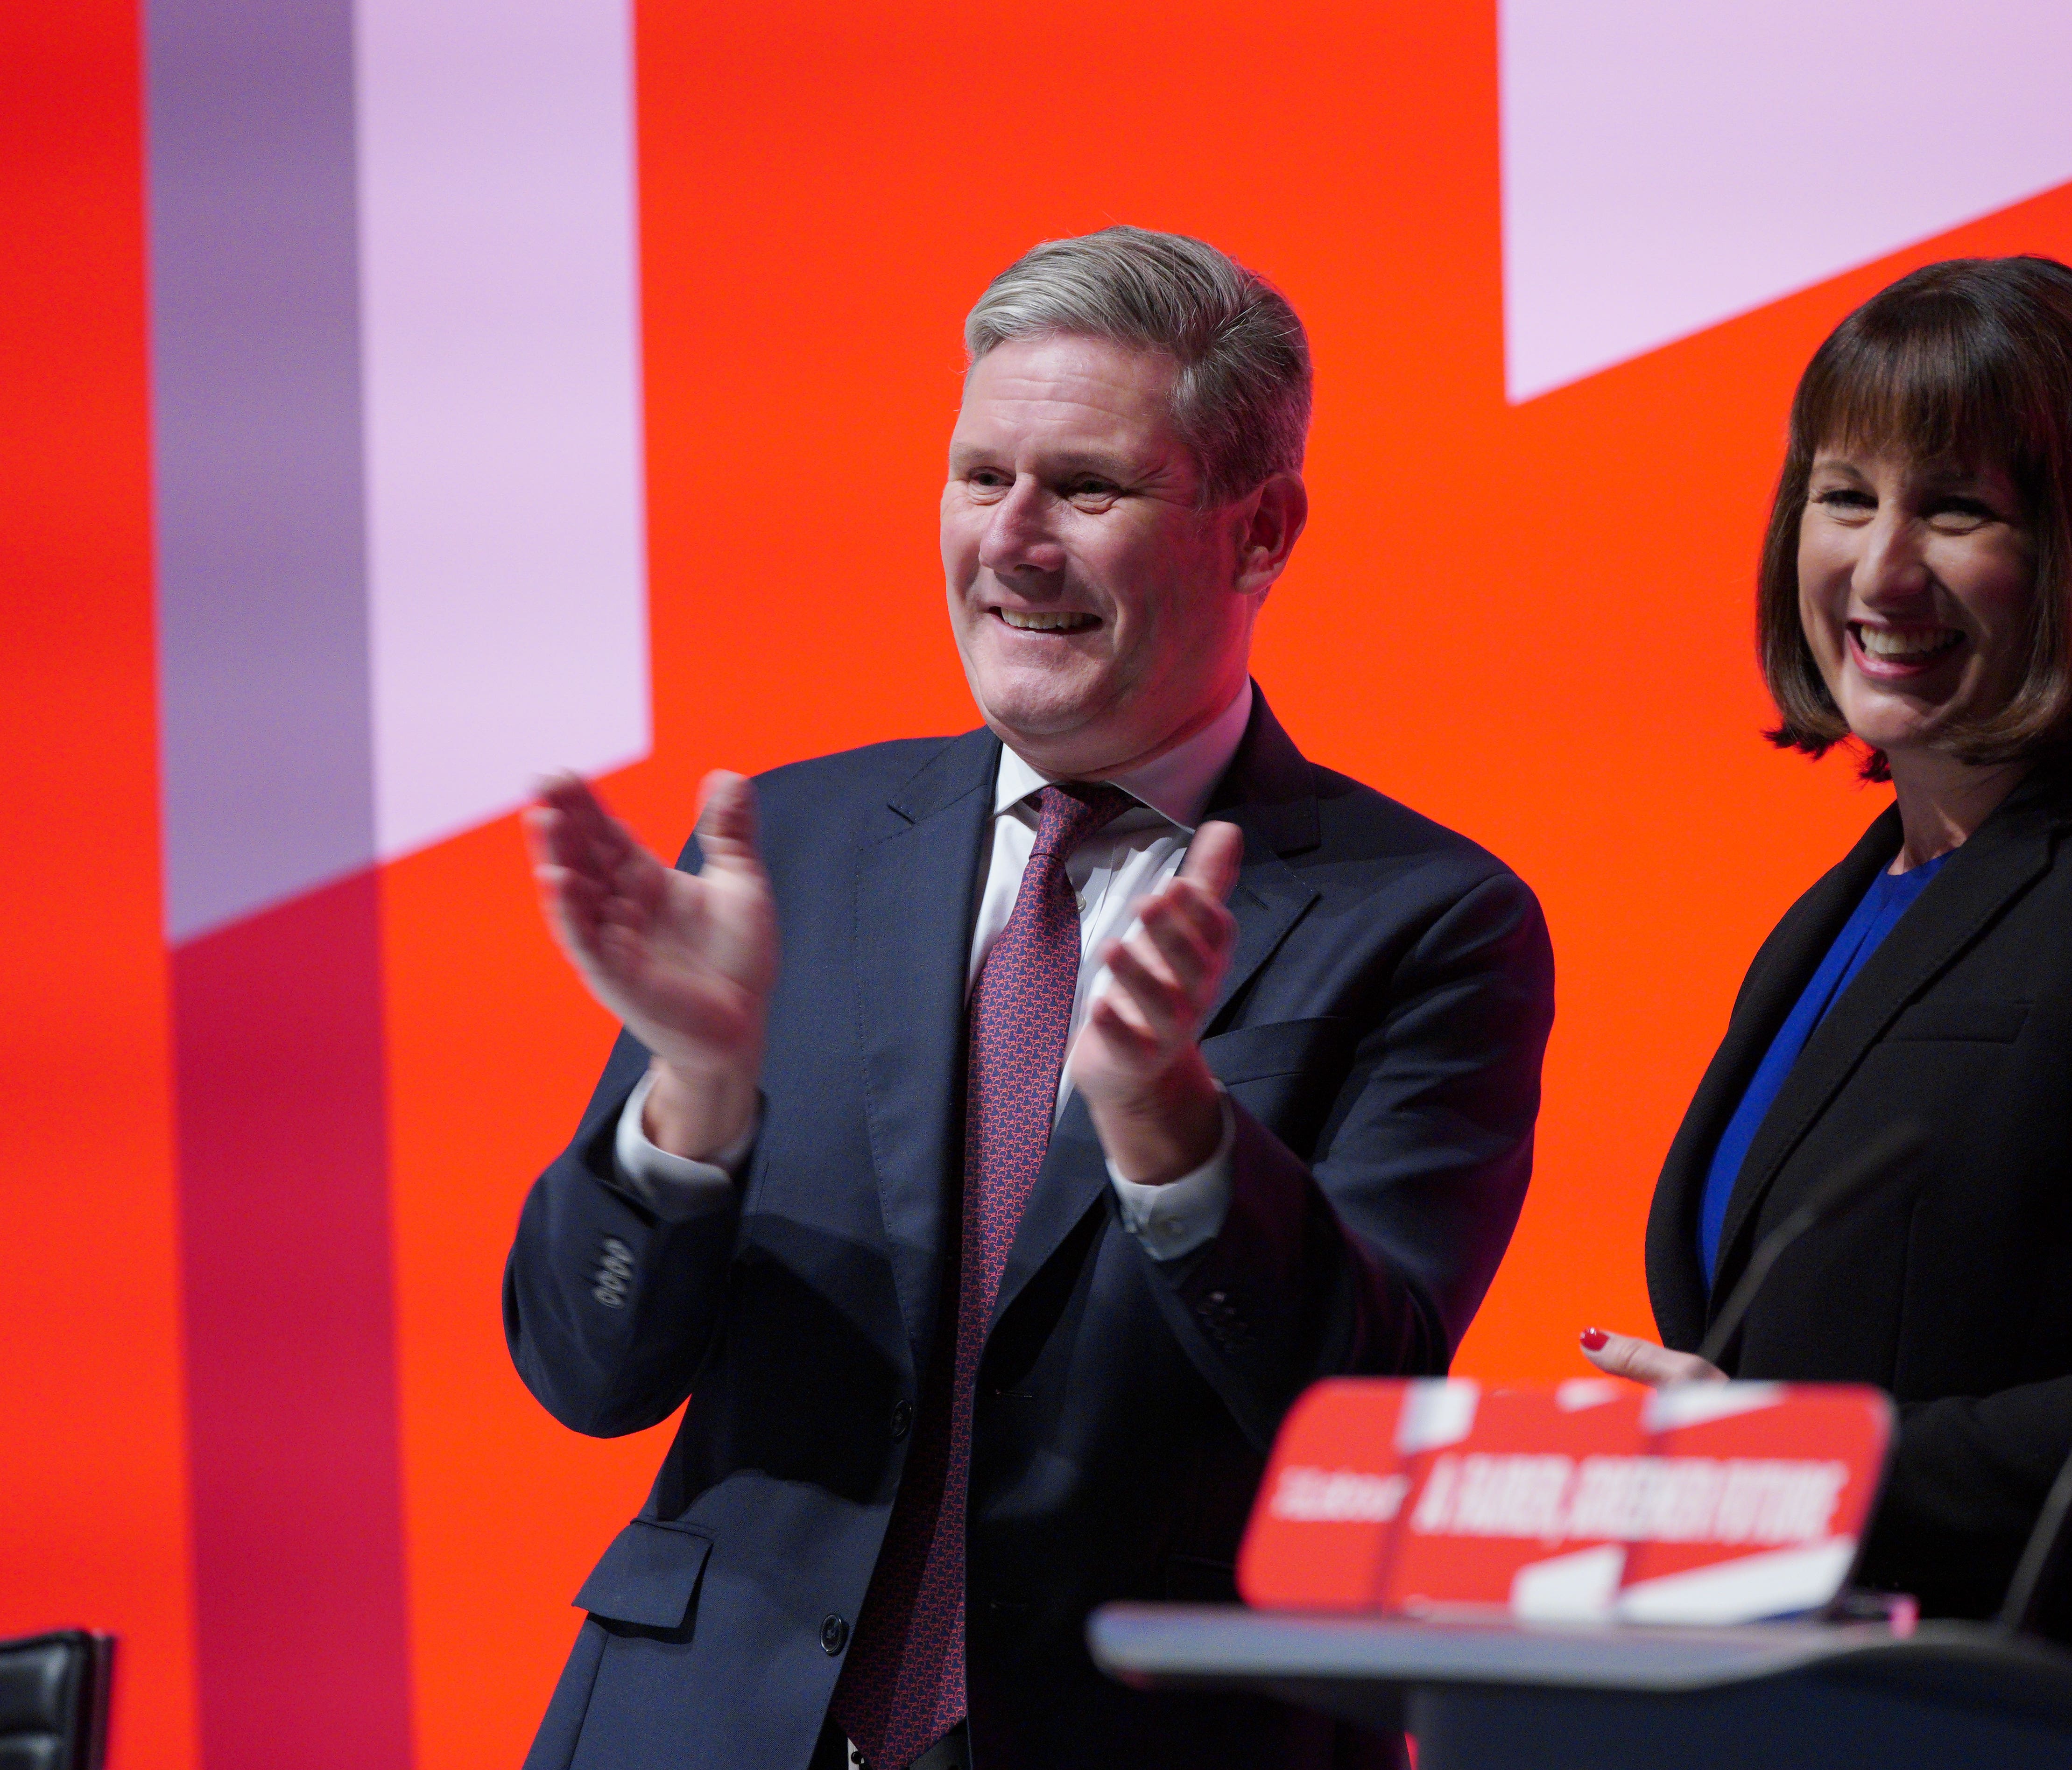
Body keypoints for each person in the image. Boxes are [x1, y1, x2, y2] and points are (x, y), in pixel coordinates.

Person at [506, 226, 1553, 1770]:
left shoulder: (1428, 920)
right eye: (979, 476)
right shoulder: (787, 849)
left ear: (1261, 532)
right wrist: (690, 1107)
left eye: (1087, 486)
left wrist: (1181, 1142)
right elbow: (586, 1373)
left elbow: (1368, 1416)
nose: (1012, 540)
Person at [1579, 257, 2072, 1710]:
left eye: (1957, 508)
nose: (1880, 572)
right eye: (1845, 496)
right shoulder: (1837, 911)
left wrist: (1808, 1465)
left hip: (2031, 1724)